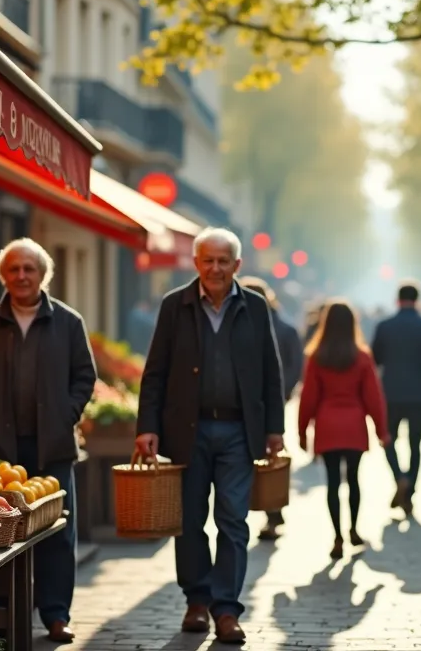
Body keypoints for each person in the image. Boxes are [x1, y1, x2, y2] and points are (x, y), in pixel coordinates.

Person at [135, 228, 286, 644]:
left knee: (233, 521)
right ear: (196, 263)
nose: (215, 268)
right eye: (208, 260)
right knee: (189, 522)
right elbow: (156, 371)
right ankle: (196, 602)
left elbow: (271, 372)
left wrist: (275, 428)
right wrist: (147, 426)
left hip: (240, 430)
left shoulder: (255, 308)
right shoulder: (174, 306)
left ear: (237, 266)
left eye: (224, 261)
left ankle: (226, 610)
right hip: (188, 431)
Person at [0, 238, 96, 643]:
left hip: (52, 447)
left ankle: (56, 615)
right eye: (13, 269)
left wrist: (65, 414)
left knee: (57, 533)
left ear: (43, 275)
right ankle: (0, 620)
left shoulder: (68, 322)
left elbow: (84, 376)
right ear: (3, 275)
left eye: (29, 269)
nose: (21, 276)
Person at [297, 300, 390, 559]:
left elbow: (308, 397)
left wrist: (302, 431)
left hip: (327, 425)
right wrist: (382, 430)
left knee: (332, 484)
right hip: (354, 426)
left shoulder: (317, 357)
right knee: (354, 480)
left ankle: (336, 536)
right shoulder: (361, 357)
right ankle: (354, 529)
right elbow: (374, 397)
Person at [371, 280, 421, 516]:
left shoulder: (384, 327)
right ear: (418, 300)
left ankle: (399, 477)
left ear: (397, 300)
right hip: (419, 394)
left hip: (390, 393)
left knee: (388, 440)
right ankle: (410, 490)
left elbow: (374, 362)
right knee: (415, 445)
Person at [240, 276, 304, 541]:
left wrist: (279, 390)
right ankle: (271, 507)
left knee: (260, 453)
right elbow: (296, 366)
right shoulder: (286, 328)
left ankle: (269, 507)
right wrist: (284, 391)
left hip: (258, 403)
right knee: (270, 453)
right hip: (267, 401)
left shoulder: (278, 329)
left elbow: (292, 364)